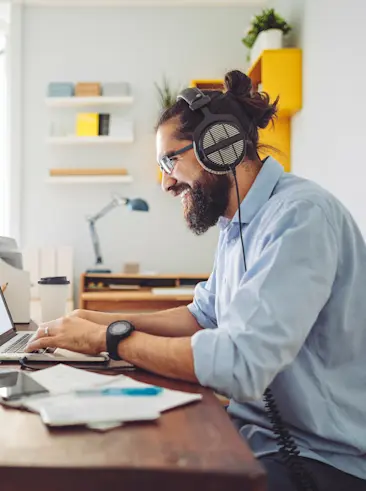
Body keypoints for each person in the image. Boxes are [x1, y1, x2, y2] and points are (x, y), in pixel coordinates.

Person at [26, 70, 366, 491]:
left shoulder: (300, 217)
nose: (166, 182)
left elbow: (240, 365)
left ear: (219, 146)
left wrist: (109, 338)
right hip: (255, 435)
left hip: (319, 458)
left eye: (170, 161)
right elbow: (203, 316)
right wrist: (91, 318)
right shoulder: (238, 222)